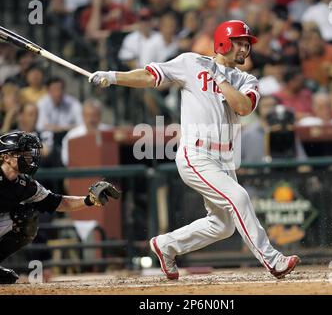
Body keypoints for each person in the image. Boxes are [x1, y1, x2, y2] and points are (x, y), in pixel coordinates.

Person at [89, 20, 300, 280]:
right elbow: (149, 75)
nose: (245, 49)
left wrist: (220, 78)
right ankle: (273, 260)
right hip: (196, 154)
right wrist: (112, 77)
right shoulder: (191, 62)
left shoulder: (248, 79)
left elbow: (243, 108)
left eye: (247, 44)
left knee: (222, 226)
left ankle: (166, 245)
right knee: (239, 197)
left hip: (224, 159)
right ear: (223, 42)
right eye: (239, 43)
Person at [0, 131, 120, 284]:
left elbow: (57, 202)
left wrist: (88, 200)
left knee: (25, 218)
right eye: (23, 153)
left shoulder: (25, 184)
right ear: (6, 157)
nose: (30, 157)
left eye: (29, 153)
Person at [61, 99, 112, 166]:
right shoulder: (72, 136)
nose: (91, 120)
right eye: (87, 116)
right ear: (83, 116)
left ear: (100, 116)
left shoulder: (109, 132)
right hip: (80, 173)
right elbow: (66, 160)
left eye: (94, 116)